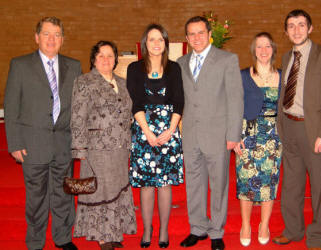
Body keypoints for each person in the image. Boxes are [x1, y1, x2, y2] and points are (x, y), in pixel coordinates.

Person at [4, 17, 81, 250]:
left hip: (63, 143)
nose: (51, 39)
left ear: (62, 39)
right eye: (46, 34)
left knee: (64, 195)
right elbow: (11, 106)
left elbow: (78, 107)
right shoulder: (20, 65)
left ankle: (63, 238)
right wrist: (14, 143)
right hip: (32, 144)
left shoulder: (74, 66)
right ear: (37, 37)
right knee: (36, 198)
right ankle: (35, 241)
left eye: (56, 34)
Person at [272, 9, 321, 250]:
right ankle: (293, 230)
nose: (296, 30)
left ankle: (318, 237)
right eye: (291, 26)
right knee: (291, 184)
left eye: (301, 25)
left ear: (310, 28)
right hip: (289, 127)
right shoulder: (286, 57)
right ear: (286, 31)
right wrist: (281, 126)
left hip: (314, 131)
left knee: (320, 186)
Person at [177, 16, 244, 250]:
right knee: (193, 184)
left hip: (218, 134)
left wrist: (233, 134)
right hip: (191, 134)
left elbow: (236, 99)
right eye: (191, 34)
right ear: (186, 38)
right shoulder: (181, 62)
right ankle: (197, 228)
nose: (196, 37)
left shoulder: (227, 60)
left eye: (200, 32)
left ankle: (216, 231)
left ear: (209, 34)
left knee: (218, 184)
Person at [71, 41, 137, 250]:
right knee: (101, 190)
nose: (106, 59)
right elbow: (77, 116)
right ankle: (102, 236)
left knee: (117, 188)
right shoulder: (84, 82)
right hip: (97, 148)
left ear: (116, 59)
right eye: (101, 55)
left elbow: (128, 111)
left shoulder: (123, 82)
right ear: (93, 59)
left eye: (110, 55)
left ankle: (114, 230)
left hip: (120, 147)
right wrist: (79, 149)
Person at [126, 23, 184, 249]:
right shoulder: (134, 68)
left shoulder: (174, 69)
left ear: (166, 43)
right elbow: (135, 102)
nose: (156, 43)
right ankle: (147, 228)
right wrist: (148, 132)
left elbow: (179, 101)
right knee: (147, 184)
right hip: (143, 130)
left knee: (165, 184)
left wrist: (171, 130)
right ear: (144, 43)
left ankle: (164, 229)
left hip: (169, 128)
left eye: (160, 39)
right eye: (152, 39)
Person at [234, 32, 282, 247]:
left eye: (267, 46)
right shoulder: (243, 75)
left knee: (269, 183)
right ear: (254, 50)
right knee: (246, 181)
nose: (263, 51)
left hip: (274, 136)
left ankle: (264, 224)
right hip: (248, 135)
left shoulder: (283, 75)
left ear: (273, 49)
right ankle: (246, 225)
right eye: (259, 47)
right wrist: (234, 137)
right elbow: (233, 108)